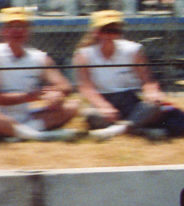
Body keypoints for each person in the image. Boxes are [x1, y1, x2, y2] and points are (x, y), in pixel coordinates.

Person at [0, 7, 81, 142]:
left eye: (22, 26)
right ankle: (39, 136)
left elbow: (64, 85)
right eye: (11, 26)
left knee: (72, 106)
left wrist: (56, 93)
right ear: (3, 31)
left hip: (26, 117)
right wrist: (31, 97)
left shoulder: (39, 58)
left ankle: (18, 135)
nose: (17, 31)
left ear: (29, 31)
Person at [73, 10, 184, 141]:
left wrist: (152, 92)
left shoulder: (133, 50)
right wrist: (103, 106)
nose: (110, 36)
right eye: (105, 30)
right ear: (95, 32)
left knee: (153, 106)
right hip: (104, 99)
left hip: (130, 100)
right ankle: (138, 129)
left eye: (114, 31)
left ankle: (118, 130)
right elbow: (86, 87)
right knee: (90, 114)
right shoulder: (83, 55)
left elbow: (148, 80)